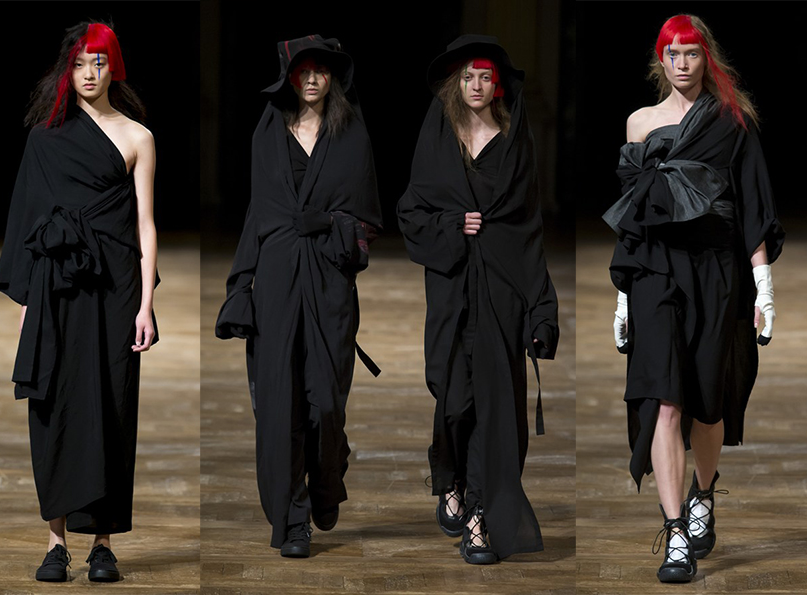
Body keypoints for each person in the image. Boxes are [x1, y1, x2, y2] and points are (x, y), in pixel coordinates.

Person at [603, 14, 784, 583]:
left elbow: (752, 203)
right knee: (665, 400)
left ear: (707, 58)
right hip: (655, 270)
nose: (682, 63)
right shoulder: (639, 123)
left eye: (692, 53)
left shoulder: (732, 121)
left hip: (715, 269)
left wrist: (763, 286)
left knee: (709, 402)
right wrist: (624, 296)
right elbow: (634, 214)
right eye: (672, 53)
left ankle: (703, 493)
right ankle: (676, 531)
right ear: (660, 60)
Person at [0, 21, 158, 583]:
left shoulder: (137, 137)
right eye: (81, 63)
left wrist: (145, 304)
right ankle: (56, 542)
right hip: (56, 286)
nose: (90, 73)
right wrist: (27, 305)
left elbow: (144, 224)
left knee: (112, 405)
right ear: (69, 69)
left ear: (115, 67)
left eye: (100, 62)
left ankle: (103, 544)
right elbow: (27, 223)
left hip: (116, 286)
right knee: (54, 405)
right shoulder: (45, 139)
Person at [215, 34, 382, 559]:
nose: (312, 79)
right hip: (277, 277)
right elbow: (258, 212)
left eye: (321, 70)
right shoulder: (268, 131)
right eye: (303, 70)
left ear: (333, 77)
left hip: (330, 279)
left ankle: (327, 479)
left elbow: (367, 219)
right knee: (279, 403)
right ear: (289, 76)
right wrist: (240, 285)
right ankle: (291, 520)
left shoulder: (351, 134)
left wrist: (329, 224)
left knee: (326, 403)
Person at [397, 34, 559, 565]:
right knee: (455, 399)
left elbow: (527, 225)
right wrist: (452, 224)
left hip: (501, 289)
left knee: (495, 407)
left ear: (497, 85)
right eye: (468, 76)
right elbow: (411, 211)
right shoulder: (439, 136)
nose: (476, 85)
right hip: (451, 288)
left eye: (485, 76)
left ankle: (480, 519)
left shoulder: (513, 142)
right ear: (456, 83)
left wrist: (541, 307)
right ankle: (449, 476)